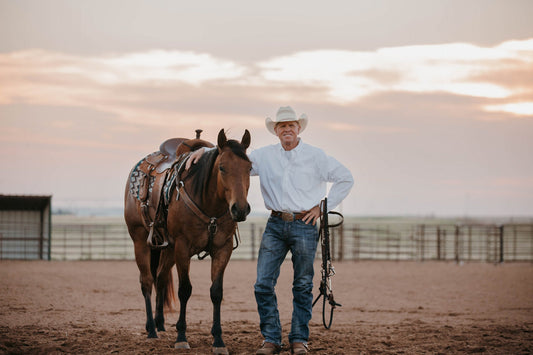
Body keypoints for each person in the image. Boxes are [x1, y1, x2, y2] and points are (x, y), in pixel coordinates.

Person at [186, 106, 354, 354]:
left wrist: (321, 208)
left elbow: (346, 178)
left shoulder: (316, 156)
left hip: (304, 225)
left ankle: (299, 339)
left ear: (298, 129)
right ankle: (271, 339)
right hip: (275, 224)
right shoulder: (263, 156)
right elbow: (232, 161)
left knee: (302, 285)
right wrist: (205, 150)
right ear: (276, 131)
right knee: (263, 284)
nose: (287, 129)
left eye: (291, 125)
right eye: (282, 126)